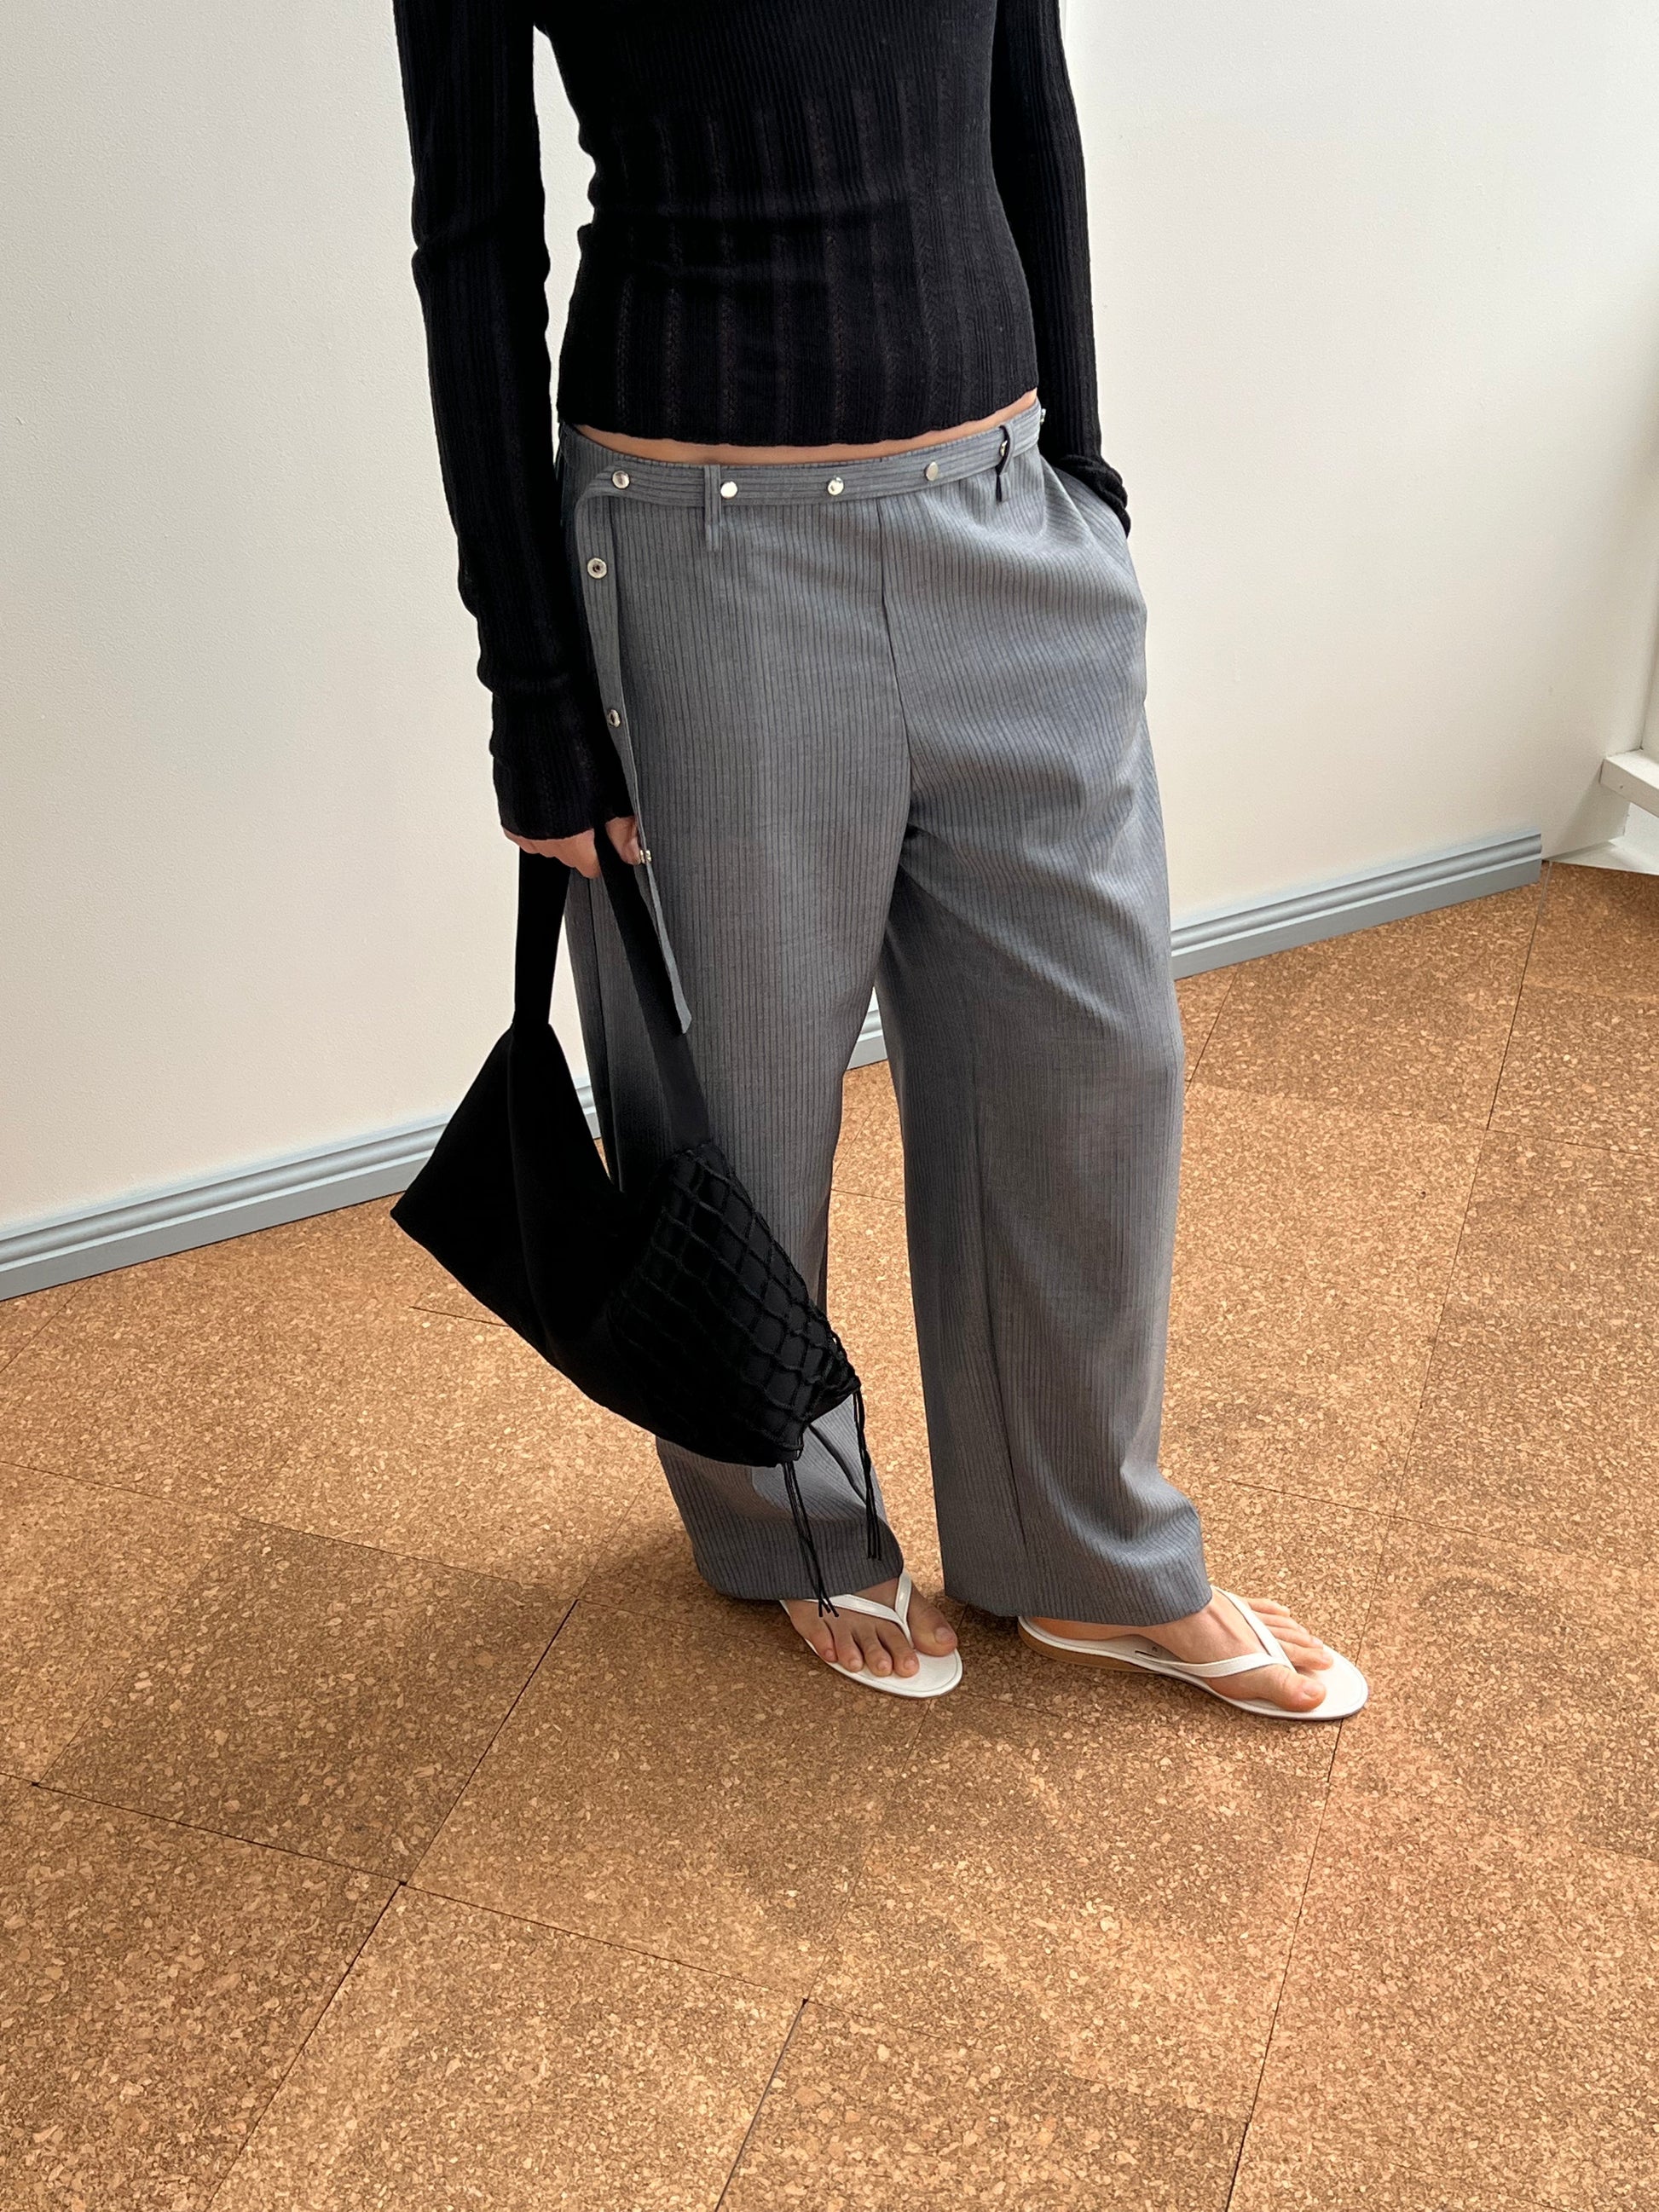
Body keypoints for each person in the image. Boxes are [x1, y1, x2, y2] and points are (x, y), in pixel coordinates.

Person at [387, 0, 1367, 1721]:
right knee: (742, 1111)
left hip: (1004, 511)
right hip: (705, 556)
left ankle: (1083, 1555)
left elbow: (1029, 107)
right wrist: (531, 691)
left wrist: (1075, 464)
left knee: (1092, 1066)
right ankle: (790, 1526)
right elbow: (473, 248)